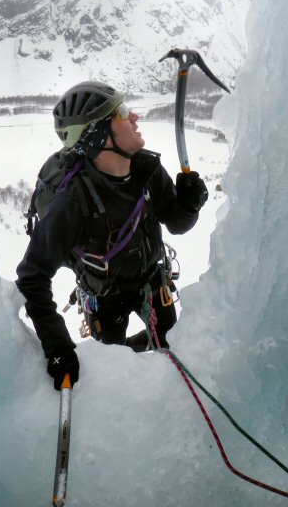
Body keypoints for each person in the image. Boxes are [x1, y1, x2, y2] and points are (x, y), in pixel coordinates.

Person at [16, 80, 208, 390]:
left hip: (151, 283)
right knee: (113, 374)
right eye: (121, 112)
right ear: (98, 135)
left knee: (172, 354)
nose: (134, 117)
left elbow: (176, 223)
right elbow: (31, 279)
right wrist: (58, 347)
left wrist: (188, 206)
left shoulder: (146, 169)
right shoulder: (72, 203)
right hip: (104, 297)